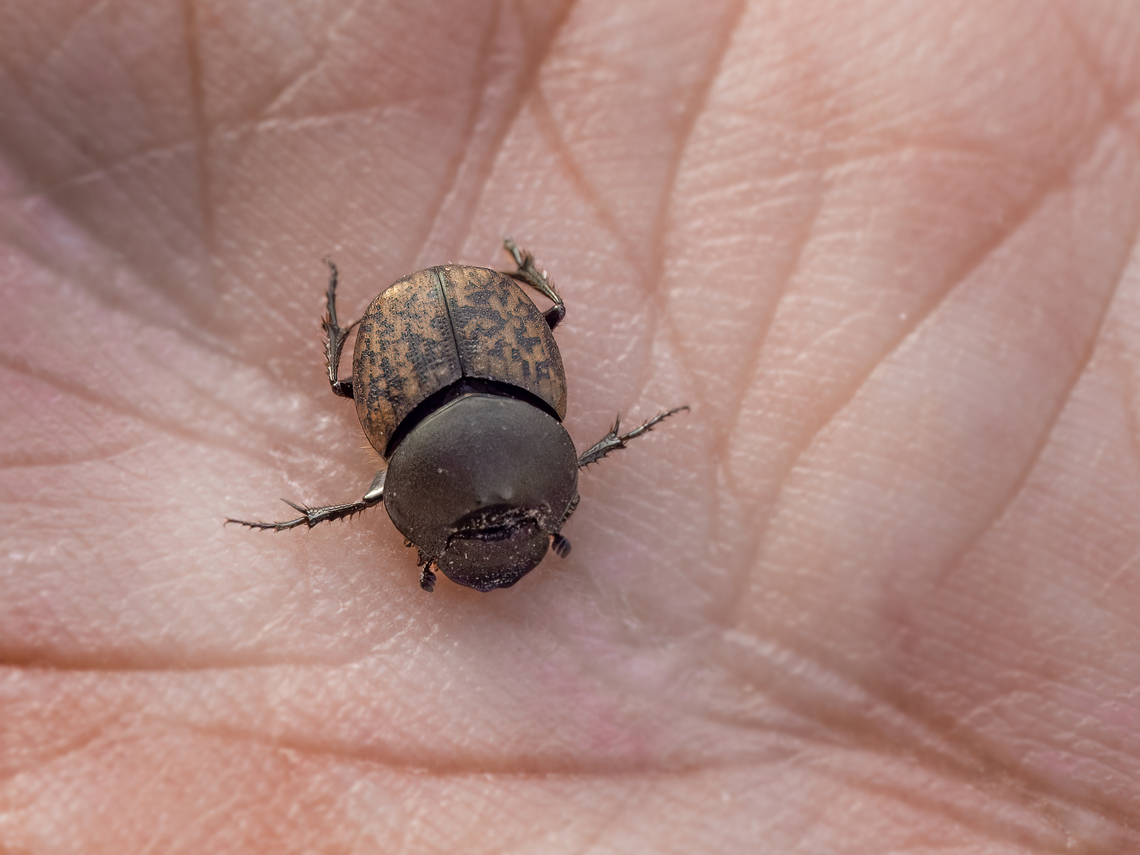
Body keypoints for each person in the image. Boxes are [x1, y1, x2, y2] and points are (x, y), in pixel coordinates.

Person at [2, 1, 1137, 850]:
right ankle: (438, 304)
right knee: (461, 347)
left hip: (442, 349)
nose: (498, 544)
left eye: (471, 541)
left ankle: (397, 318)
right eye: (517, 533)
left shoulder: (488, 463)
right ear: (554, 493)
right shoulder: (497, 456)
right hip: (461, 348)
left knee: (371, 381)